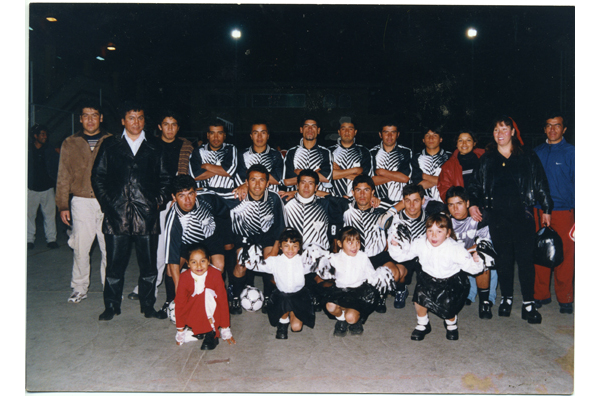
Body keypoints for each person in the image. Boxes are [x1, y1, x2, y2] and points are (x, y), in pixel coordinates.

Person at [467, 116, 553, 324]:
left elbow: (540, 182)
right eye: (496, 130)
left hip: (522, 216)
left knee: (525, 261)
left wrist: (546, 209)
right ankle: (506, 299)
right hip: (497, 217)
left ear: (513, 132)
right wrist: (472, 204)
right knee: (504, 259)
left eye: (504, 129)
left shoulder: (528, 156)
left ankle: (528, 303)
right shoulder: (487, 158)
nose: (500, 134)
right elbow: (475, 185)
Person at [91, 101, 172, 321]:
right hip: (117, 215)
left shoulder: (156, 146)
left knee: (149, 266)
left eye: (140, 118)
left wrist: (156, 202)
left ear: (144, 120)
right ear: (122, 121)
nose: (136, 123)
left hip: (147, 216)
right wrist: (108, 203)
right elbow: (97, 177)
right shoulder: (110, 144)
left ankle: (148, 306)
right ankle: (111, 305)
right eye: (131, 118)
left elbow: (166, 180)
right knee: (115, 265)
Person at [128, 110, 194, 302]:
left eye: (174, 124)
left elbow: (190, 174)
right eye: (166, 124)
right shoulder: (150, 145)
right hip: (159, 203)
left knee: (180, 249)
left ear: (178, 127)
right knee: (158, 248)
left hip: (181, 202)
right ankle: (147, 288)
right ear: (159, 126)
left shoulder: (187, 146)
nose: (170, 128)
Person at [388, 213, 486, 341]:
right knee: (419, 299)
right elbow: (402, 256)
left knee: (448, 307)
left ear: (448, 233)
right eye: (430, 231)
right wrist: (395, 245)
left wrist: (477, 261)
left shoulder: (455, 249)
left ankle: (451, 324)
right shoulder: (420, 243)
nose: (433, 236)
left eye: (439, 231)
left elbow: (471, 268)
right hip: (427, 278)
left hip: (450, 281)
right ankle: (423, 324)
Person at [56, 101, 110, 303]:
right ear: (80, 119)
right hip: (80, 201)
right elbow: (63, 175)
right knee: (81, 247)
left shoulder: (111, 141)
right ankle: (79, 288)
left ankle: (110, 288)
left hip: (106, 202)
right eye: (85, 115)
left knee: (108, 247)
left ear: (101, 118)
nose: (90, 119)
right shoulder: (70, 142)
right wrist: (63, 205)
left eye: (94, 115)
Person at [159, 175, 230, 312]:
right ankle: (170, 301)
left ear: (196, 192)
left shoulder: (207, 198)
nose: (187, 200)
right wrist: (181, 295)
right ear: (173, 197)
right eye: (181, 196)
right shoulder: (173, 220)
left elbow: (227, 204)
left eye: (190, 194)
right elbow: (172, 262)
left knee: (219, 266)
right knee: (170, 269)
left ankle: (216, 297)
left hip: (210, 238)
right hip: (187, 243)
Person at [227, 164, 286, 315]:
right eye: (253, 180)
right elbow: (212, 196)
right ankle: (235, 296)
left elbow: (280, 228)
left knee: (270, 260)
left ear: (268, 183)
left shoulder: (273, 199)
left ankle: (268, 296)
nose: (257, 184)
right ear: (246, 182)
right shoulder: (237, 197)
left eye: (262, 180)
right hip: (245, 238)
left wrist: (274, 251)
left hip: (267, 237)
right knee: (241, 264)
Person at [341, 175, 404, 313]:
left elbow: (405, 202)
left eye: (366, 190)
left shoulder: (383, 207)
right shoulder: (345, 208)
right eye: (358, 190)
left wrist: (380, 203)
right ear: (352, 192)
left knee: (395, 273)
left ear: (373, 192)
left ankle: (380, 295)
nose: (362, 195)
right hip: (355, 256)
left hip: (378, 255)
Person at [533, 114, 575, 314]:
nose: (552, 129)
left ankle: (565, 297)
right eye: (548, 126)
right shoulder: (536, 152)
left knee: (565, 256)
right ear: (544, 129)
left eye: (557, 126)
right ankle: (540, 295)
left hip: (564, 211)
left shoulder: (572, 153)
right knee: (540, 252)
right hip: (539, 211)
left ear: (564, 129)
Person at [251, 228, 315, 340]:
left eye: (294, 246)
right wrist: (247, 258)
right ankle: (283, 322)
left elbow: (318, 266)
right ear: (280, 246)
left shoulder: (302, 261)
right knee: (284, 301)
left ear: (299, 247)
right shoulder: (275, 261)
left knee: (296, 327)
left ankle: (293, 312)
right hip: (281, 296)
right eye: (286, 245)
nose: (290, 250)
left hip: (299, 296)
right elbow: (258, 265)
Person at [446, 186, 498, 318]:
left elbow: (483, 243)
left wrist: (467, 252)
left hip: (470, 254)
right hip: (453, 257)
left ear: (467, 203)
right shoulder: (445, 219)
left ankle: (485, 301)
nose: (455, 209)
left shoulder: (479, 217)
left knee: (482, 256)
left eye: (459, 204)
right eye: (451, 205)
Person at [174, 244, 235, 350]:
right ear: (187, 264)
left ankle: (211, 331)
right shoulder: (184, 277)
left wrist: (225, 328)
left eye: (202, 261)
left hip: (213, 311)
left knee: (206, 293)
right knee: (193, 299)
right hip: (193, 310)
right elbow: (180, 303)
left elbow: (222, 301)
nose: (199, 266)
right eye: (194, 262)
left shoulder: (215, 274)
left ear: (209, 261)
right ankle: (198, 327)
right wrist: (180, 330)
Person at [386, 183, 438, 309]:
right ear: (403, 201)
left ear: (423, 200)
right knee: (397, 272)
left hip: (423, 255)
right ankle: (401, 289)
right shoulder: (394, 219)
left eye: (416, 201)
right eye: (408, 201)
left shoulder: (430, 219)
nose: (412, 205)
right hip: (404, 256)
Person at [325, 226, 381, 337]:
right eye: (350, 243)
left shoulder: (363, 257)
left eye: (357, 242)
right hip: (340, 291)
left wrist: (379, 280)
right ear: (340, 244)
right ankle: (341, 319)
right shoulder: (334, 258)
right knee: (330, 306)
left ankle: (355, 320)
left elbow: (371, 275)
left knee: (351, 318)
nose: (355, 246)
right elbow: (326, 273)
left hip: (358, 293)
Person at [27, 124, 59, 250]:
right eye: (42, 134)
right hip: (32, 188)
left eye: (46, 134)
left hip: (48, 188)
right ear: (35, 136)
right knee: (29, 215)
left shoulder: (50, 149)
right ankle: (29, 240)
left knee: (50, 215)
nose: (45, 136)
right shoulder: (27, 149)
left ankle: (51, 239)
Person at [282, 117, 333, 193]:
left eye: (313, 126)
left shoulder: (325, 152)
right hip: (295, 199)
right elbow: (287, 182)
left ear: (318, 130)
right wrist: (316, 173)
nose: (310, 129)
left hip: (319, 199)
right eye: (306, 126)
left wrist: (299, 172)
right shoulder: (291, 152)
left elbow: (326, 178)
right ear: (301, 130)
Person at [234, 120, 284, 197]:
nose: (259, 136)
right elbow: (239, 177)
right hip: (246, 196)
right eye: (255, 133)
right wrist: (268, 176)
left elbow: (278, 179)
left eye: (263, 133)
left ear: (268, 135)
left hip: (271, 196)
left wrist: (251, 176)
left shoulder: (276, 155)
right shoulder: (241, 155)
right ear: (251, 136)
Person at [370, 120, 413, 204]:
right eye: (386, 132)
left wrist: (382, 172)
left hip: (401, 202)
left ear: (398, 134)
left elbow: (405, 178)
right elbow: (371, 181)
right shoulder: (372, 153)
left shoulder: (406, 152)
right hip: (378, 202)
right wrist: (397, 176)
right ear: (380, 134)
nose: (389, 136)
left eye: (393, 132)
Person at [437, 130, 485, 203]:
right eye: (460, 140)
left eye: (468, 140)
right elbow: (445, 191)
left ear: (474, 143)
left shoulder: (485, 159)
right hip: (461, 207)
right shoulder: (448, 166)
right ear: (456, 144)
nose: (464, 144)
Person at [329, 118, 373, 197]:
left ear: (355, 132)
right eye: (343, 129)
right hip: (334, 199)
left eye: (350, 129)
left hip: (358, 199)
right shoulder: (329, 151)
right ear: (339, 132)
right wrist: (355, 170)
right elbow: (328, 176)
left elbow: (365, 179)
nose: (346, 132)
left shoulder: (363, 151)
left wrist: (339, 171)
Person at [411, 126, 451, 213]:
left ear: (441, 139)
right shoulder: (417, 157)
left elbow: (452, 182)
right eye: (427, 135)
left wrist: (424, 176)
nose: (431, 138)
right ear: (423, 139)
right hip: (424, 205)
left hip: (447, 204)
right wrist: (440, 180)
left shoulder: (449, 157)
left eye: (435, 135)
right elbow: (419, 185)